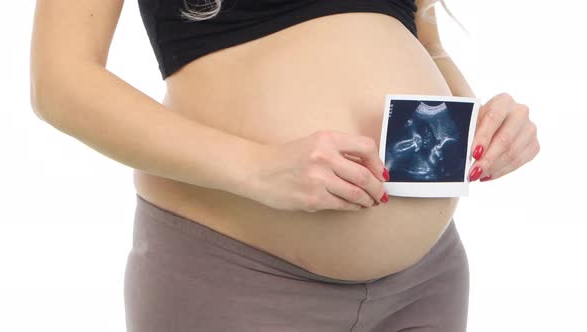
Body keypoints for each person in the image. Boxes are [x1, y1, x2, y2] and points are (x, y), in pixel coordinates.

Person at [29, 0, 540, 331]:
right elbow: (60, 82)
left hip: (426, 285)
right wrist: (259, 167)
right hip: (236, 279)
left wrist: (484, 131)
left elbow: (429, 44)